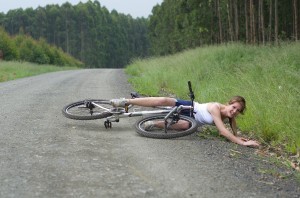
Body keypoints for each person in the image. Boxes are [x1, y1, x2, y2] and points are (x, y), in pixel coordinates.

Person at [110, 96, 260, 147]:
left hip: (191, 120)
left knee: (184, 125)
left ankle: (152, 123)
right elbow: (222, 131)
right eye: (233, 107)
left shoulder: (231, 116)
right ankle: (126, 101)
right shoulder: (215, 107)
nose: (234, 111)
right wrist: (242, 143)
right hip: (188, 106)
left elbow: (232, 126)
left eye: (237, 111)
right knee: (162, 100)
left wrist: (237, 136)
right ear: (230, 102)